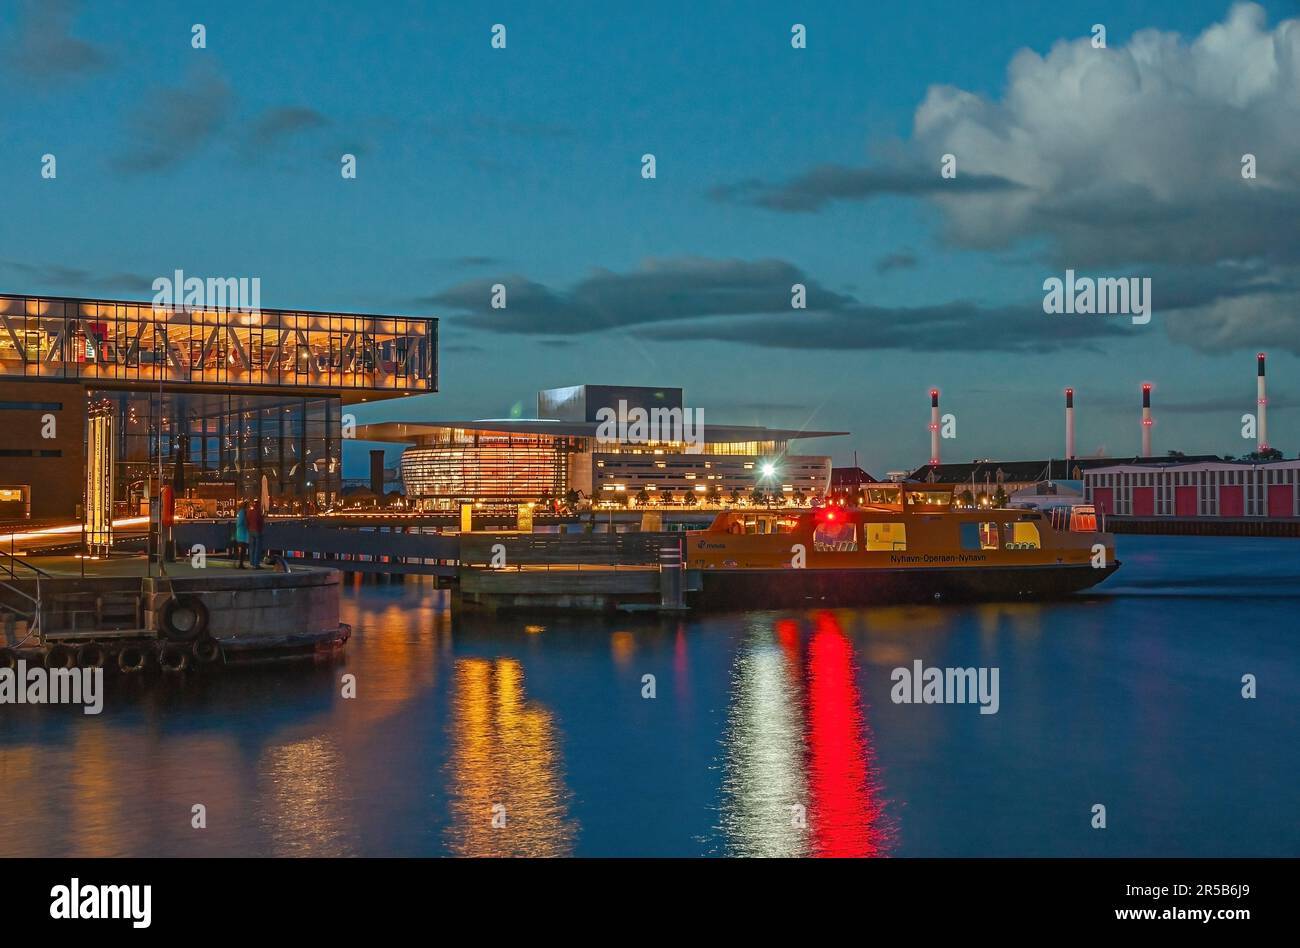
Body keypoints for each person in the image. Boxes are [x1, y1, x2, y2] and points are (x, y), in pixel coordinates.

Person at [247, 498, 265, 569]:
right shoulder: (259, 512)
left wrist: (249, 528)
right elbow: (261, 522)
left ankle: (251, 562)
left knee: (252, 547)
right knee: (257, 548)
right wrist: (261, 530)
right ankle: (256, 564)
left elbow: (247, 521)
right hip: (257, 531)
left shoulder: (250, 512)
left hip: (250, 531)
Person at [234, 501, 249, 568]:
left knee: (241, 549)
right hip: (243, 533)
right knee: (243, 550)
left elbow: (238, 523)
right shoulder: (243, 513)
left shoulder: (240, 513)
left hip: (240, 533)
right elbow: (243, 523)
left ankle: (240, 563)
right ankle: (241, 564)